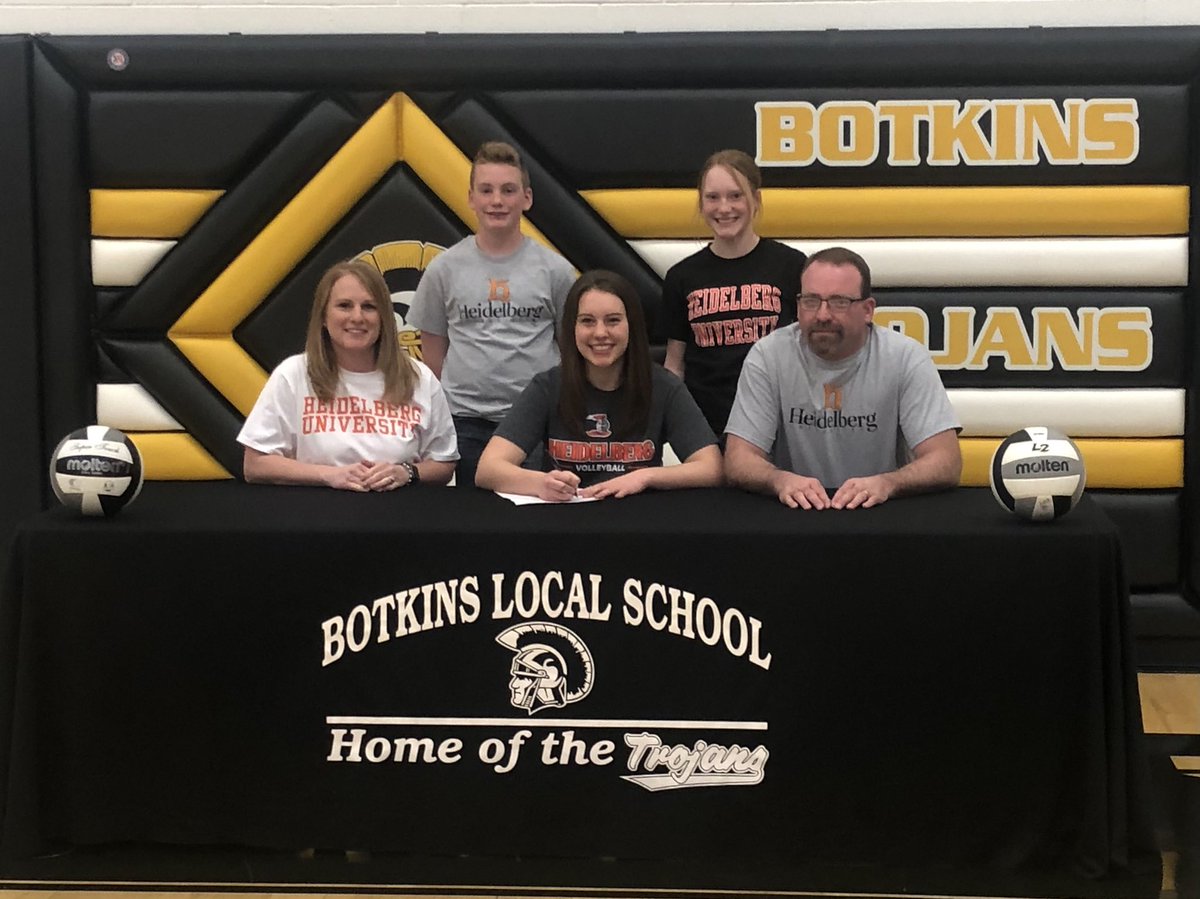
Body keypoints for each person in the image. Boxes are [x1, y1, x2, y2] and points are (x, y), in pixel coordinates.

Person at [724, 247, 961, 510]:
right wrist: (779, 480)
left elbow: (946, 461)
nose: (822, 315)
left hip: (880, 515)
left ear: (868, 310)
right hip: (793, 517)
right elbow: (738, 459)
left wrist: (888, 483)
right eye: (811, 301)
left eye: (839, 302)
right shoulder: (768, 355)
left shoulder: (905, 357)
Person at [407, 140, 576, 487]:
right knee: (476, 524)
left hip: (536, 420)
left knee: (536, 518)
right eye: (486, 190)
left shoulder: (556, 271)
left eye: (508, 190)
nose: (497, 200)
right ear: (471, 198)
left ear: (526, 198)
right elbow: (432, 358)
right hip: (465, 421)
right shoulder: (444, 269)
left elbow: (572, 350)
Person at [476, 270, 722, 502]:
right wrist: (541, 483)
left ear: (632, 326)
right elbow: (488, 469)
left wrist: (645, 477)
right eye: (587, 321)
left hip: (639, 524)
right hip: (565, 523)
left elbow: (711, 468)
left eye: (613, 320)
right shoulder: (547, 387)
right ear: (572, 328)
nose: (600, 333)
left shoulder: (664, 386)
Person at [238, 259, 458, 490]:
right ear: (323, 317)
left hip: (397, 517)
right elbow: (255, 465)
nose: (357, 317)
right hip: (314, 515)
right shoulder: (292, 375)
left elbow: (444, 464)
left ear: (384, 318)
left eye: (369, 307)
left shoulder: (419, 377)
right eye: (344, 305)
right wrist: (329, 476)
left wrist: (406, 472)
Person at [662, 149, 805, 437]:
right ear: (701, 203)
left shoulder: (792, 265)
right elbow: (674, 364)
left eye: (735, 195)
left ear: (756, 200)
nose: (723, 208)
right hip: (706, 427)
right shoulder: (681, 276)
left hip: (778, 423)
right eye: (712, 197)